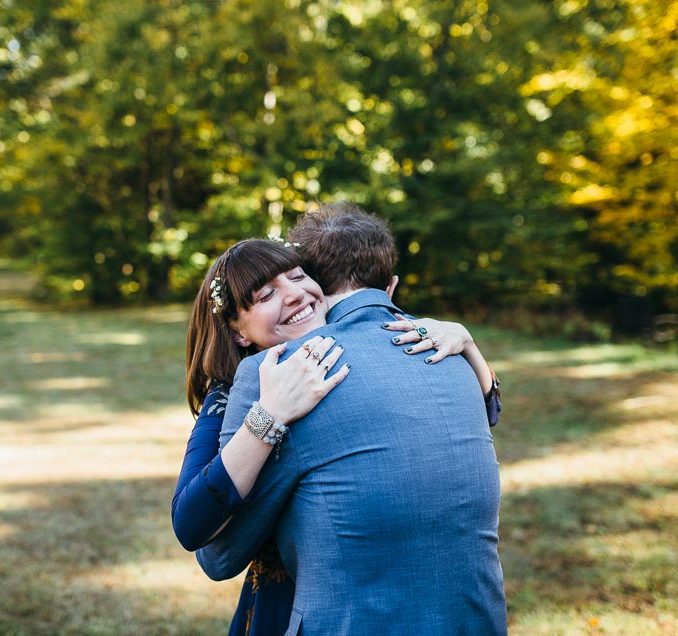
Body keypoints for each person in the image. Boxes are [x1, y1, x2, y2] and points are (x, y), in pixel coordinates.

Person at [191, 202, 507, 633]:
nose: (293, 295)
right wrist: (469, 347)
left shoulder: (293, 370)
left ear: (316, 281)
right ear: (390, 285)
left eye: (297, 278)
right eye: (267, 294)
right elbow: (486, 410)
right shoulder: (448, 351)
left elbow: (218, 554)